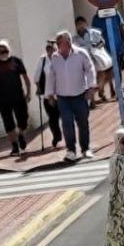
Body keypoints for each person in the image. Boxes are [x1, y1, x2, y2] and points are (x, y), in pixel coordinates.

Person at [45, 29, 97, 161]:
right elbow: (51, 76)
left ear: (68, 42)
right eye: (57, 42)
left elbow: (90, 69)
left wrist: (91, 87)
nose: (58, 45)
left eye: (60, 42)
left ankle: (85, 149)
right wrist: (50, 94)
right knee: (67, 123)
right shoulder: (55, 58)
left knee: (82, 123)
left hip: (80, 94)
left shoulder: (80, 54)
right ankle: (71, 151)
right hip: (63, 97)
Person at [0, 39, 31, 157]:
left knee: (23, 120)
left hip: (18, 97)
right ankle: (15, 147)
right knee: (8, 123)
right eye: (1, 52)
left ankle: (21, 134)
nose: (4, 53)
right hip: (2, 99)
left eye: (5, 50)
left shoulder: (17, 61)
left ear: (9, 50)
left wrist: (28, 92)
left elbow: (25, 77)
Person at [74, 14, 114, 103]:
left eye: (82, 23)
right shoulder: (75, 39)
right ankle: (92, 100)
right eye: (78, 24)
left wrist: (96, 47)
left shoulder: (94, 32)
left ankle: (101, 91)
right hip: (85, 61)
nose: (80, 26)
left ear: (85, 23)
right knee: (90, 79)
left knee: (103, 75)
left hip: (97, 59)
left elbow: (102, 43)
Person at [34, 38, 62, 149]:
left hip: (61, 94)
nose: (51, 51)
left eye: (53, 49)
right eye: (48, 49)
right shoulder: (43, 60)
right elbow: (36, 77)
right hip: (47, 94)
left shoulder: (61, 58)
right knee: (53, 118)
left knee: (64, 116)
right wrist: (39, 88)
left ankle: (67, 138)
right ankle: (57, 137)